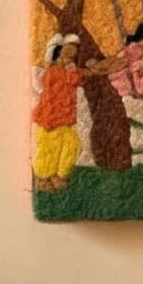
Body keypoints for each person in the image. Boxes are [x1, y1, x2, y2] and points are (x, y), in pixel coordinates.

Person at [31, 34, 86, 192]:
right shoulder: (52, 71)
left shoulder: (69, 69)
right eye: (67, 49)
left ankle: (58, 174)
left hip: (65, 118)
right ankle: (43, 178)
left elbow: (77, 81)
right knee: (48, 148)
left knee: (72, 144)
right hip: (50, 118)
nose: (71, 53)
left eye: (74, 50)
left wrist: (72, 69)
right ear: (58, 51)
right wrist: (69, 70)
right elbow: (63, 81)